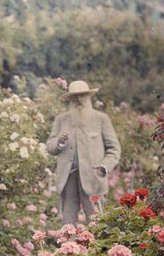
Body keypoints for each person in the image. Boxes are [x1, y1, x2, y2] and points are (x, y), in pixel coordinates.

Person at [46, 80, 121, 225]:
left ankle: (98, 247)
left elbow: (114, 148)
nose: (79, 99)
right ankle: (69, 247)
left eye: (82, 96)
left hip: (93, 177)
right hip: (68, 178)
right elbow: (50, 146)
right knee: (68, 223)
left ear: (89, 97)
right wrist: (60, 142)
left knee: (96, 222)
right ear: (70, 99)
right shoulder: (61, 120)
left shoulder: (101, 119)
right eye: (75, 97)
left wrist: (104, 166)